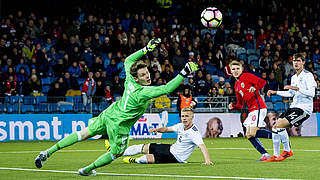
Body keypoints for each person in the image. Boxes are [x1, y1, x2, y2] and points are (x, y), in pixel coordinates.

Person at [34, 38, 199, 176]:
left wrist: (146, 49)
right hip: (119, 125)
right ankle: (87, 170)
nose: (147, 76)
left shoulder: (129, 79)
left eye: (147, 72)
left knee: (83, 133)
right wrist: (184, 73)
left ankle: (47, 152)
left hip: (109, 113)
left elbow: (128, 60)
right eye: (143, 75)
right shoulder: (143, 92)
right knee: (116, 153)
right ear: (137, 77)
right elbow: (166, 89)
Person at [114, 107, 213, 165]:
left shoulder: (194, 132)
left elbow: (202, 147)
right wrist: (156, 129)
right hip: (170, 148)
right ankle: (116, 152)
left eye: (187, 116)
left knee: (147, 158)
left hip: (176, 158)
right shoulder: (180, 126)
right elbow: (166, 129)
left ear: (192, 117)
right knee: (144, 147)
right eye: (182, 116)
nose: (184, 118)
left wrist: (207, 161)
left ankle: (134, 160)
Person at [266, 53, 316, 161]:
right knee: (275, 127)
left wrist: (297, 88)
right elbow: (291, 93)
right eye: (294, 61)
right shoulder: (293, 77)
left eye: (298, 60)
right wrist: (276, 92)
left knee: (279, 125)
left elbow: (312, 93)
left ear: (303, 62)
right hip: (294, 106)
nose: (296, 63)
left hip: (303, 109)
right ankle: (275, 155)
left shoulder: (308, 75)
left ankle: (287, 151)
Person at [228, 60, 272, 161]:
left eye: (237, 69)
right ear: (230, 71)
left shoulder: (246, 76)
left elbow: (262, 82)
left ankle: (279, 136)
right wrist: (233, 106)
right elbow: (240, 104)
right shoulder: (236, 85)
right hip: (252, 110)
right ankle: (265, 154)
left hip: (259, 107)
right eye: (233, 69)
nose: (236, 71)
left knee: (252, 133)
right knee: (248, 134)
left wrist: (255, 87)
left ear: (241, 69)